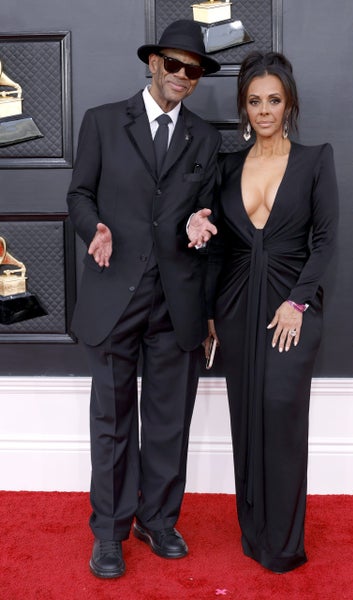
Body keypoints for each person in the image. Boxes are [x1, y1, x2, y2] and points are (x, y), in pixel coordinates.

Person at [66, 20, 221, 579]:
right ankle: (109, 532)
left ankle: (157, 520)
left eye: (193, 70)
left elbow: (204, 209)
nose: (182, 75)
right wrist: (94, 228)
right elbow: (79, 193)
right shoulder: (103, 121)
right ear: (153, 63)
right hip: (114, 292)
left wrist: (200, 221)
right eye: (174, 64)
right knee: (111, 419)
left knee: (168, 421)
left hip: (176, 300)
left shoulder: (205, 138)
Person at [206, 51, 339, 573]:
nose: (264, 110)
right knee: (246, 416)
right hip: (236, 303)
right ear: (244, 106)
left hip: (291, 303)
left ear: (289, 104)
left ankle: (283, 544)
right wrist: (211, 314)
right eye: (255, 100)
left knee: (281, 412)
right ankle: (253, 531)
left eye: (274, 100)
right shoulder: (227, 166)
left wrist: (297, 301)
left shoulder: (315, 160)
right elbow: (219, 248)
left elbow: (324, 241)